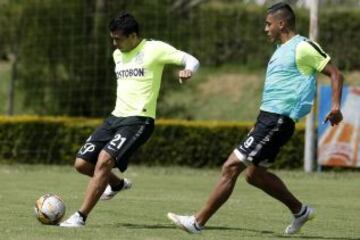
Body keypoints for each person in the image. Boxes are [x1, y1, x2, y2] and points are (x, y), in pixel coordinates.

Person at [167, 2, 343, 235]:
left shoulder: (303, 47)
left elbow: (335, 74)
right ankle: (300, 211)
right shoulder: (280, 50)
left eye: (268, 24)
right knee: (254, 175)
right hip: (268, 119)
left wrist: (335, 105)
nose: (265, 28)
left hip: (277, 120)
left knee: (230, 167)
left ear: (282, 23)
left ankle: (197, 222)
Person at [60, 11, 199, 227]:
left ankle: (80, 217)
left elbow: (191, 59)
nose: (115, 44)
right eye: (113, 39)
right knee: (81, 164)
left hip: (139, 120)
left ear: (133, 35)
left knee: (104, 161)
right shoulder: (117, 55)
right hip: (115, 118)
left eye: (119, 39)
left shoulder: (154, 49)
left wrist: (188, 70)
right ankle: (116, 185)